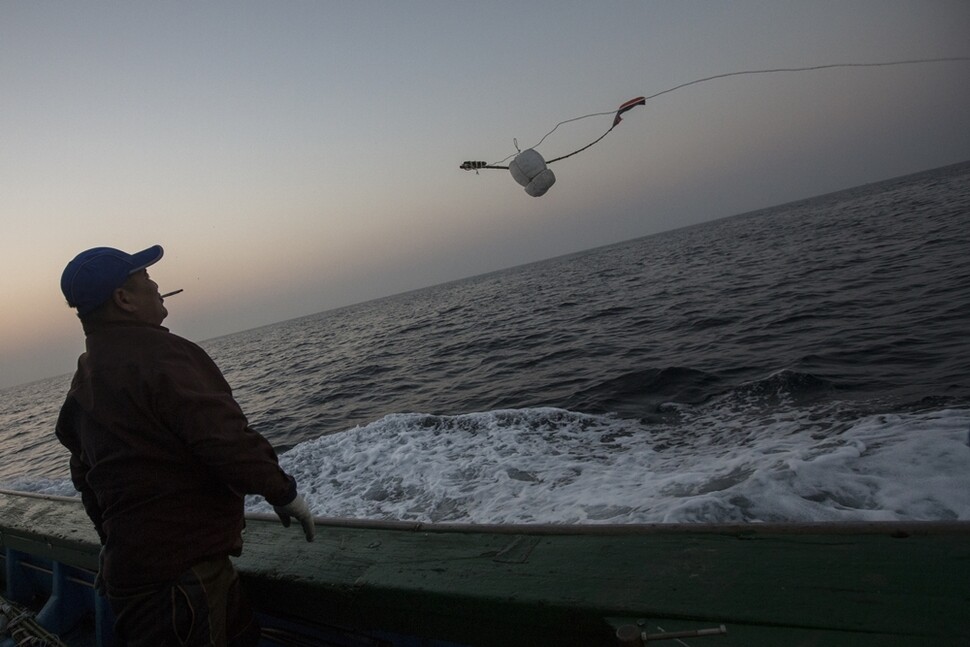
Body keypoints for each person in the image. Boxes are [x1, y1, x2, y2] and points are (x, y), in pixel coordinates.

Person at [54, 244, 315, 646]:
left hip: (133, 577)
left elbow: (86, 477)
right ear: (124, 300)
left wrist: (116, 543)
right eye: (144, 278)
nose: (156, 284)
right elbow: (223, 438)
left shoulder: (84, 381)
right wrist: (284, 493)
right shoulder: (161, 355)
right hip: (182, 580)